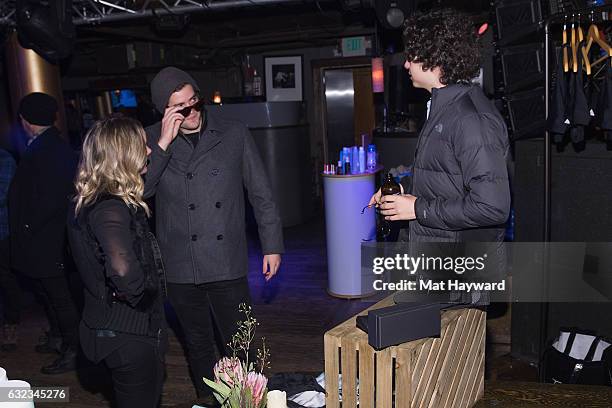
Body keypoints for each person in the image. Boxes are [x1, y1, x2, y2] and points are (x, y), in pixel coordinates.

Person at [144, 66, 284, 404]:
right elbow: (140, 193)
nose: (192, 113)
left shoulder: (233, 133)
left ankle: (252, 402)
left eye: (194, 102)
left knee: (241, 342)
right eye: (181, 108)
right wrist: (163, 143)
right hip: (180, 265)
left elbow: (261, 193)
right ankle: (209, 400)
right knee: (198, 343)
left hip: (225, 261)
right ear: (165, 111)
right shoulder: (149, 139)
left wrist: (272, 245)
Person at [369, 9, 511, 244]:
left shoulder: (471, 119)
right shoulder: (444, 109)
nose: (405, 64)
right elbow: (443, 180)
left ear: (434, 58)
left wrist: (417, 209)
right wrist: (402, 191)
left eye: (411, 56)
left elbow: (492, 207)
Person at [67, 116, 166, 408]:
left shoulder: (89, 198)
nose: (148, 151)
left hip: (110, 329)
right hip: (127, 334)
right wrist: (143, 296)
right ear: (123, 156)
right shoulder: (110, 207)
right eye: (142, 146)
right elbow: (122, 270)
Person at [8, 92, 80, 373]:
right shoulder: (47, 145)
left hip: (47, 240)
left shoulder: (50, 149)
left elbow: (52, 198)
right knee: (49, 295)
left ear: (25, 120)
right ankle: (60, 339)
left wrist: (27, 226)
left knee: (59, 297)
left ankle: (72, 350)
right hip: (44, 239)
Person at [0, 147, 19, 351]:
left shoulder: (4, 159)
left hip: (2, 231)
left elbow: (3, 195)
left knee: (6, 279)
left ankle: (11, 323)